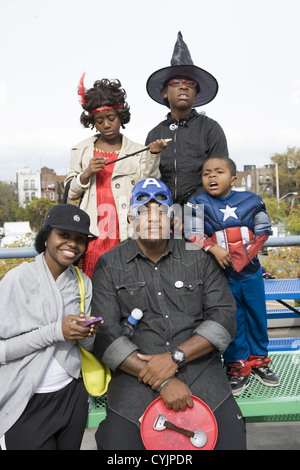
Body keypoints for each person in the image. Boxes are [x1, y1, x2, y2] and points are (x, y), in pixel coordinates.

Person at [92, 177, 247, 450]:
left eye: (161, 211)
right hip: (135, 381)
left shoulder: (198, 256)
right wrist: (163, 380)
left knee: (231, 440)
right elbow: (105, 334)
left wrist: (177, 357)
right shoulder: (110, 263)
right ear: (131, 217)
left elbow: (223, 316)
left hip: (202, 374)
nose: (153, 218)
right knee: (116, 444)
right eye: (143, 211)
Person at [0, 204, 100, 450]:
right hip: (26, 400)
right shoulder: (17, 279)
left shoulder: (82, 282)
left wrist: (87, 333)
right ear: (46, 237)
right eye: (64, 235)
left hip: (72, 397)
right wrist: (57, 331)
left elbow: (86, 346)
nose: (72, 244)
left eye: (79, 239)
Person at [186, 156, 280, 396]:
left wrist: (242, 257)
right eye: (206, 173)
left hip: (250, 272)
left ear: (234, 178)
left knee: (257, 314)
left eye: (219, 172)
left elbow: (263, 231)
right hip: (220, 275)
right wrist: (212, 247)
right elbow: (191, 235)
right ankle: (236, 364)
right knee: (231, 319)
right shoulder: (195, 204)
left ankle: (259, 360)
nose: (212, 177)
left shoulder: (251, 200)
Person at [65, 74, 169, 278]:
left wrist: (153, 155)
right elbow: (70, 193)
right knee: (94, 280)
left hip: (125, 229)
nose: (106, 124)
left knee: (128, 279)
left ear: (121, 116)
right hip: (94, 231)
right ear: (92, 122)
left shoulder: (139, 150)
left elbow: (147, 186)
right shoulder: (81, 150)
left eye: (111, 118)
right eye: (99, 120)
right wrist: (86, 174)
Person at [145, 32, 228, 207]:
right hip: (164, 214)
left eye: (190, 83)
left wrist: (191, 208)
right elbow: (148, 180)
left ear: (196, 94)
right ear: (165, 92)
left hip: (204, 212)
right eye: (176, 82)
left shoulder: (210, 129)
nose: (183, 85)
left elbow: (220, 176)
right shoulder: (155, 133)